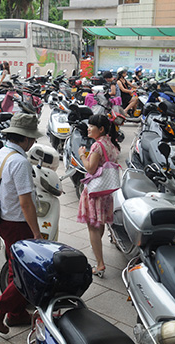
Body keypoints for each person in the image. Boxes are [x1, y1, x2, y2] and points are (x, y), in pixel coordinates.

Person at [0, 113, 42, 335]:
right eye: (32, 138)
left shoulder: (0, 153)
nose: (33, 142)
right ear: (25, 139)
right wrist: (36, 232)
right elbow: (26, 203)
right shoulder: (20, 161)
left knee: (14, 266)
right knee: (28, 272)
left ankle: (16, 314)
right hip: (18, 222)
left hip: (3, 218)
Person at [76, 114, 120, 278]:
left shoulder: (97, 146)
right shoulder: (111, 143)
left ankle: (100, 264)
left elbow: (90, 169)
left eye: (91, 126)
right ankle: (97, 247)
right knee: (99, 223)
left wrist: (82, 154)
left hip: (96, 192)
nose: (88, 128)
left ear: (100, 129)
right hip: (106, 191)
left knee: (93, 226)